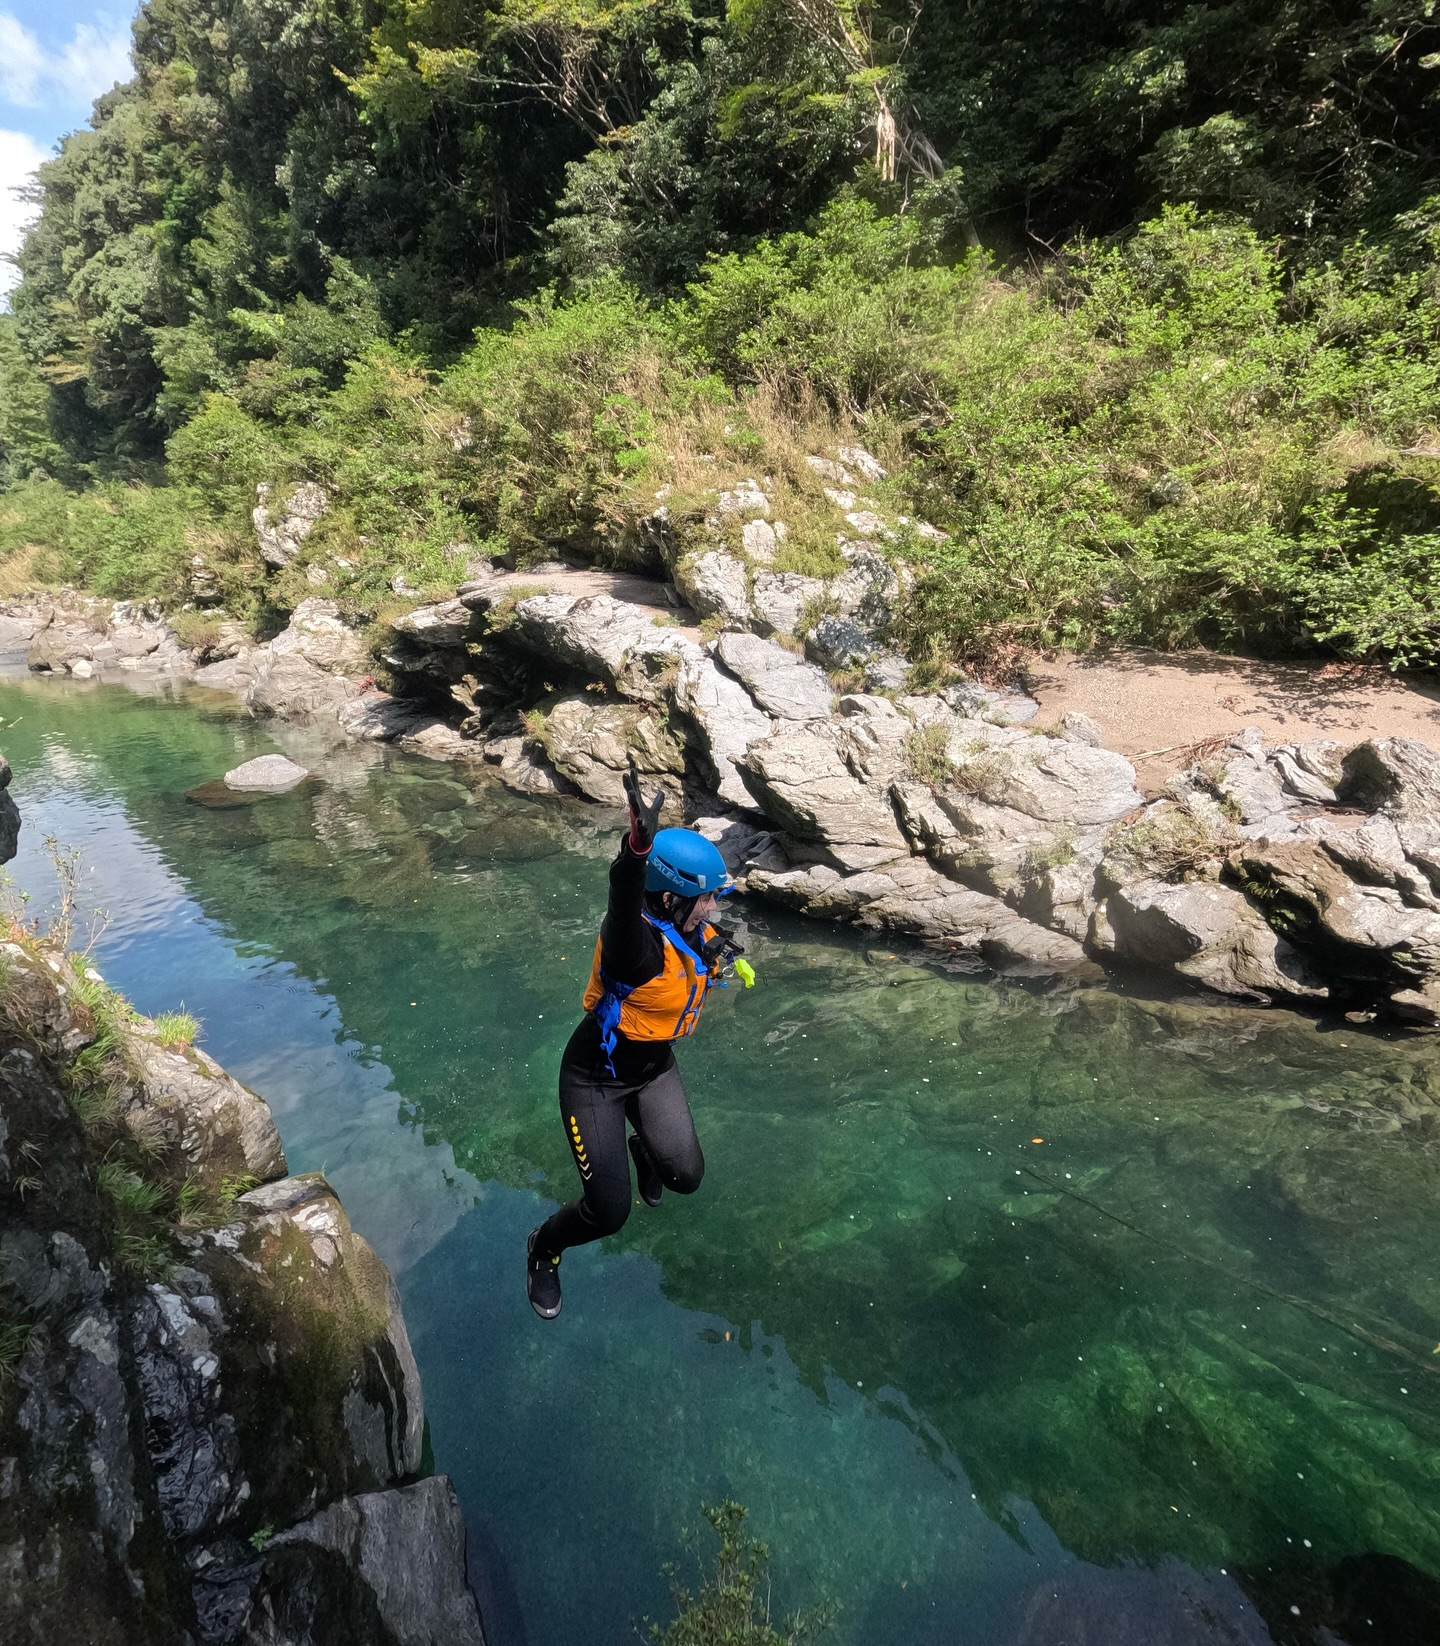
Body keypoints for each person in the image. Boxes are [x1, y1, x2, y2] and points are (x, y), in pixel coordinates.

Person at [526, 765, 746, 1319]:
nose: (714, 909)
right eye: (706, 900)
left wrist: (718, 951)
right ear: (670, 898)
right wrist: (635, 852)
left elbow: (699, 935)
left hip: (652, 1067)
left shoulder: (685, 922)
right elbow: (623, 903)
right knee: (608, 1212)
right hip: (595, 1080)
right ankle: (543, 1248)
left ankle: (641, 1145)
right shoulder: (633, 947)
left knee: (685, 1178)